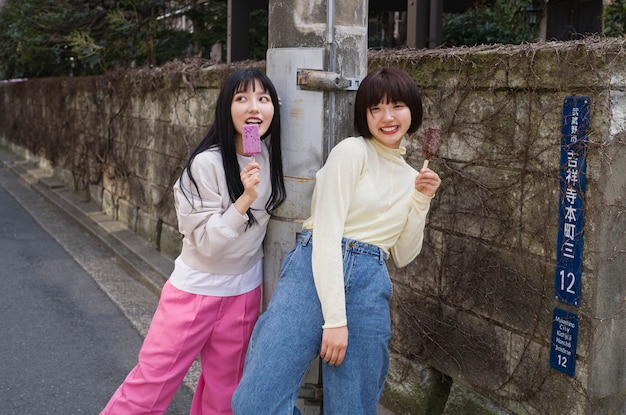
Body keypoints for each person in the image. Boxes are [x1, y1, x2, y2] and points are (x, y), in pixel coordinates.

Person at [232, 67, 442, 414]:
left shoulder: (413, 177)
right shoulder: (351, 152)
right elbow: (328, 233)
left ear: (413, 111)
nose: (387, 117)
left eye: (397, 106)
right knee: (255, 403)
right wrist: (335, 320)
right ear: (364, 115)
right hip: (313, 269)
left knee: (352, 409)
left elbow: (403, 254)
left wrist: (421, 200)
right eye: (375, 109)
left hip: (369, 283)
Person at [100, 68, 286, 415]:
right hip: (195, 291)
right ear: (225, 108)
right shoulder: (206, 163)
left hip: (244, 293)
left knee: (225, 395)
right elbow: (207, 242)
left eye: (262, 98)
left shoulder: (271, 160)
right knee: (150, 387)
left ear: (274, 107)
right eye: (241, 98)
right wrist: (244, 198)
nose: (253, 108)